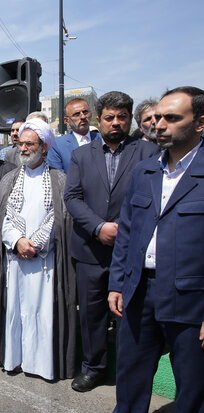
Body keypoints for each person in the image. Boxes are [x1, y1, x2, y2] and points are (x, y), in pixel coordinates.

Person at [108, 86, 204, 412]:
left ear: (200, 123)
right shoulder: (144, 170)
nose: (159, 124)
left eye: (172, 118)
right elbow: (127, 234)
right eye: (158, 117)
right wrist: (117, 284)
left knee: (193, 386)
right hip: (138, 292)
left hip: (191, 297)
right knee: (131, 379)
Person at [64, 91, 160, 392]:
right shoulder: (81, 155)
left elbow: (154, 197)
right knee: (92, 315)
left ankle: (127, 371)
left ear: (130, 119)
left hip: (131, 250)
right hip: (90, 249)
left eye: (121, 117)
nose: (115, 123)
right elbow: (73, 197)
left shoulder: (148, 152)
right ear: (98, 119)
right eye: (109, 117)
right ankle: (94, 367)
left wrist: (123, 228)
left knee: (128, 314)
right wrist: (98, 227)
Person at [0, 118, 76, 380]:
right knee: (16, 309)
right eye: (21, 143)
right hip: (15, 259)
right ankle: (14, 358)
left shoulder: (60, 179)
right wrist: (17, 241)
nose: (24, 148)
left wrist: (37, 242)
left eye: (30, 144)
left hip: (45, 261)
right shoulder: (9, 179)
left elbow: (60, 217)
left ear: (44, 147)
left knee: (41, 311)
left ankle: (40, 364)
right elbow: (2, 216)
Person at [48, 99, 102, 173]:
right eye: (77, 114)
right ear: (67, 121)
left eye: (85, 112)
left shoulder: (103, 139)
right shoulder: (57, 145)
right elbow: (58, 179)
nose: (83, 117)